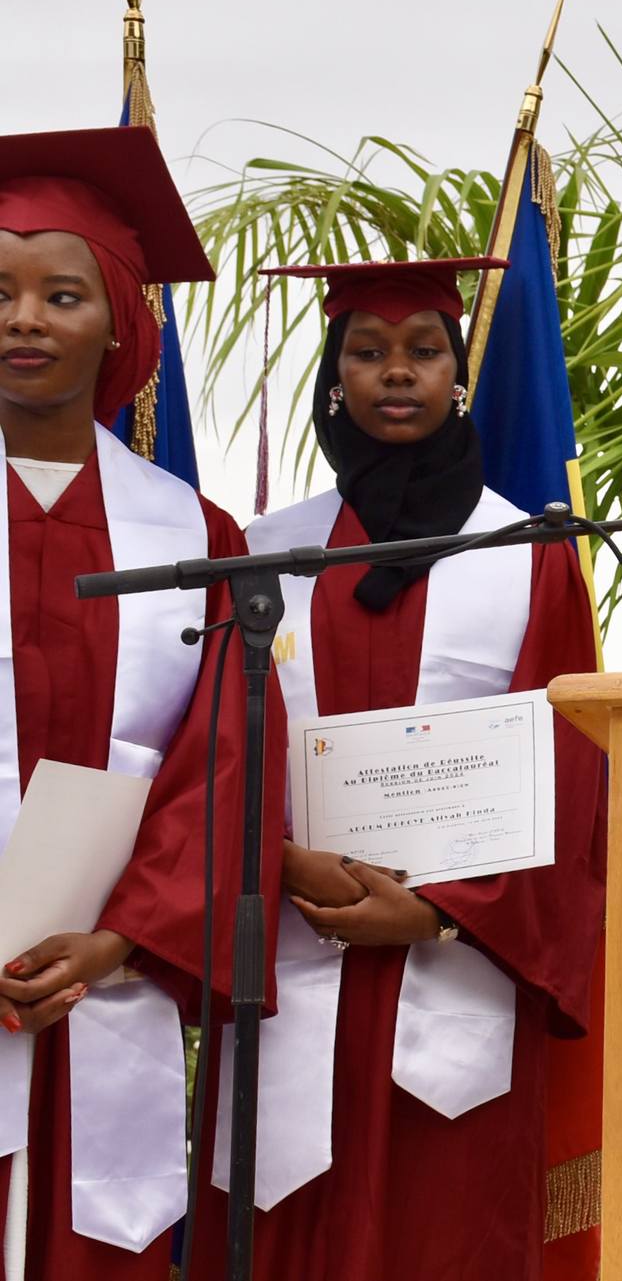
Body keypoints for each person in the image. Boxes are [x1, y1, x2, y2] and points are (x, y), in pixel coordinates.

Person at [183, 259, 607, 1281]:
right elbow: (213, 745)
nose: (397, 373)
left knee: (445, 1229)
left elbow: (572, 770)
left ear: (460, 372)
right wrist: (275, 857)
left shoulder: (527, 550)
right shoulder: (262, 552)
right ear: (336, 379)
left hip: (459, 954)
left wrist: (443, 909)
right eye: (367, 353)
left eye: (424, 349)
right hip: (290, 950)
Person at [0, 126, 282, 1280]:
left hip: (105, 985)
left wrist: (123, 933)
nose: (23, 319)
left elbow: (226, 761)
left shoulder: (193, 538)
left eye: (61, 294)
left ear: (122, 321)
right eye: (0, 292)